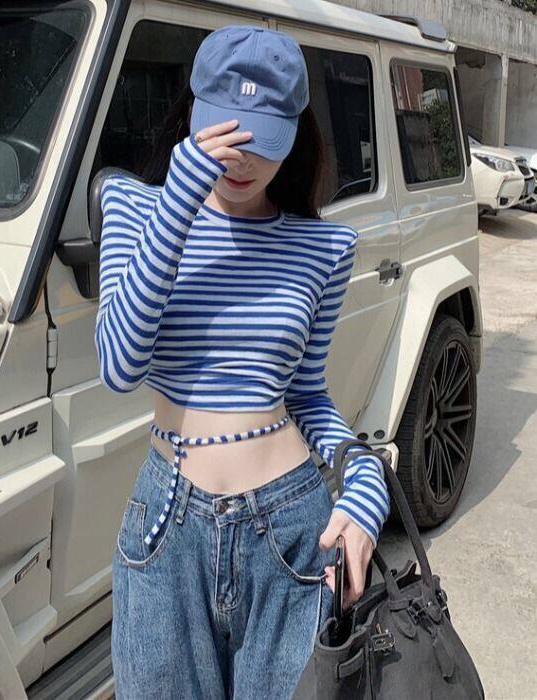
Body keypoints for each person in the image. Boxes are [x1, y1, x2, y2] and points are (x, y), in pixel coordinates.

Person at [95, 24, 391, 699]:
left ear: (295, 134)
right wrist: (179, 200)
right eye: (228, 132)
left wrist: (364, 476)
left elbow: (306, 396)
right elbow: (119, 366)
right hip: (165, 528)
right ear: (193, 117)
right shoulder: (134, 209)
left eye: (264, 139)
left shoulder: (322, 249)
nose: (243, 158)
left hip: (290, 528)